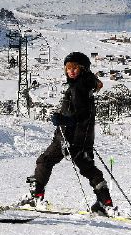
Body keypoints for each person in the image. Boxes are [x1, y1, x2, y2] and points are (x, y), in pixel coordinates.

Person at [22, 52, 115, 215]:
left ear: (83, 69)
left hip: (69, 136)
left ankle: (35, 196)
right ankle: (104, 201)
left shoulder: (78, 86)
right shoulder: (87, 85)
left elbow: (83, 113)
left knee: (44, 161)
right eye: (68, 68)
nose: (71, 71)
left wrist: (64, 120)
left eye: (75, 68)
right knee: (88, 168)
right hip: (84, 136)